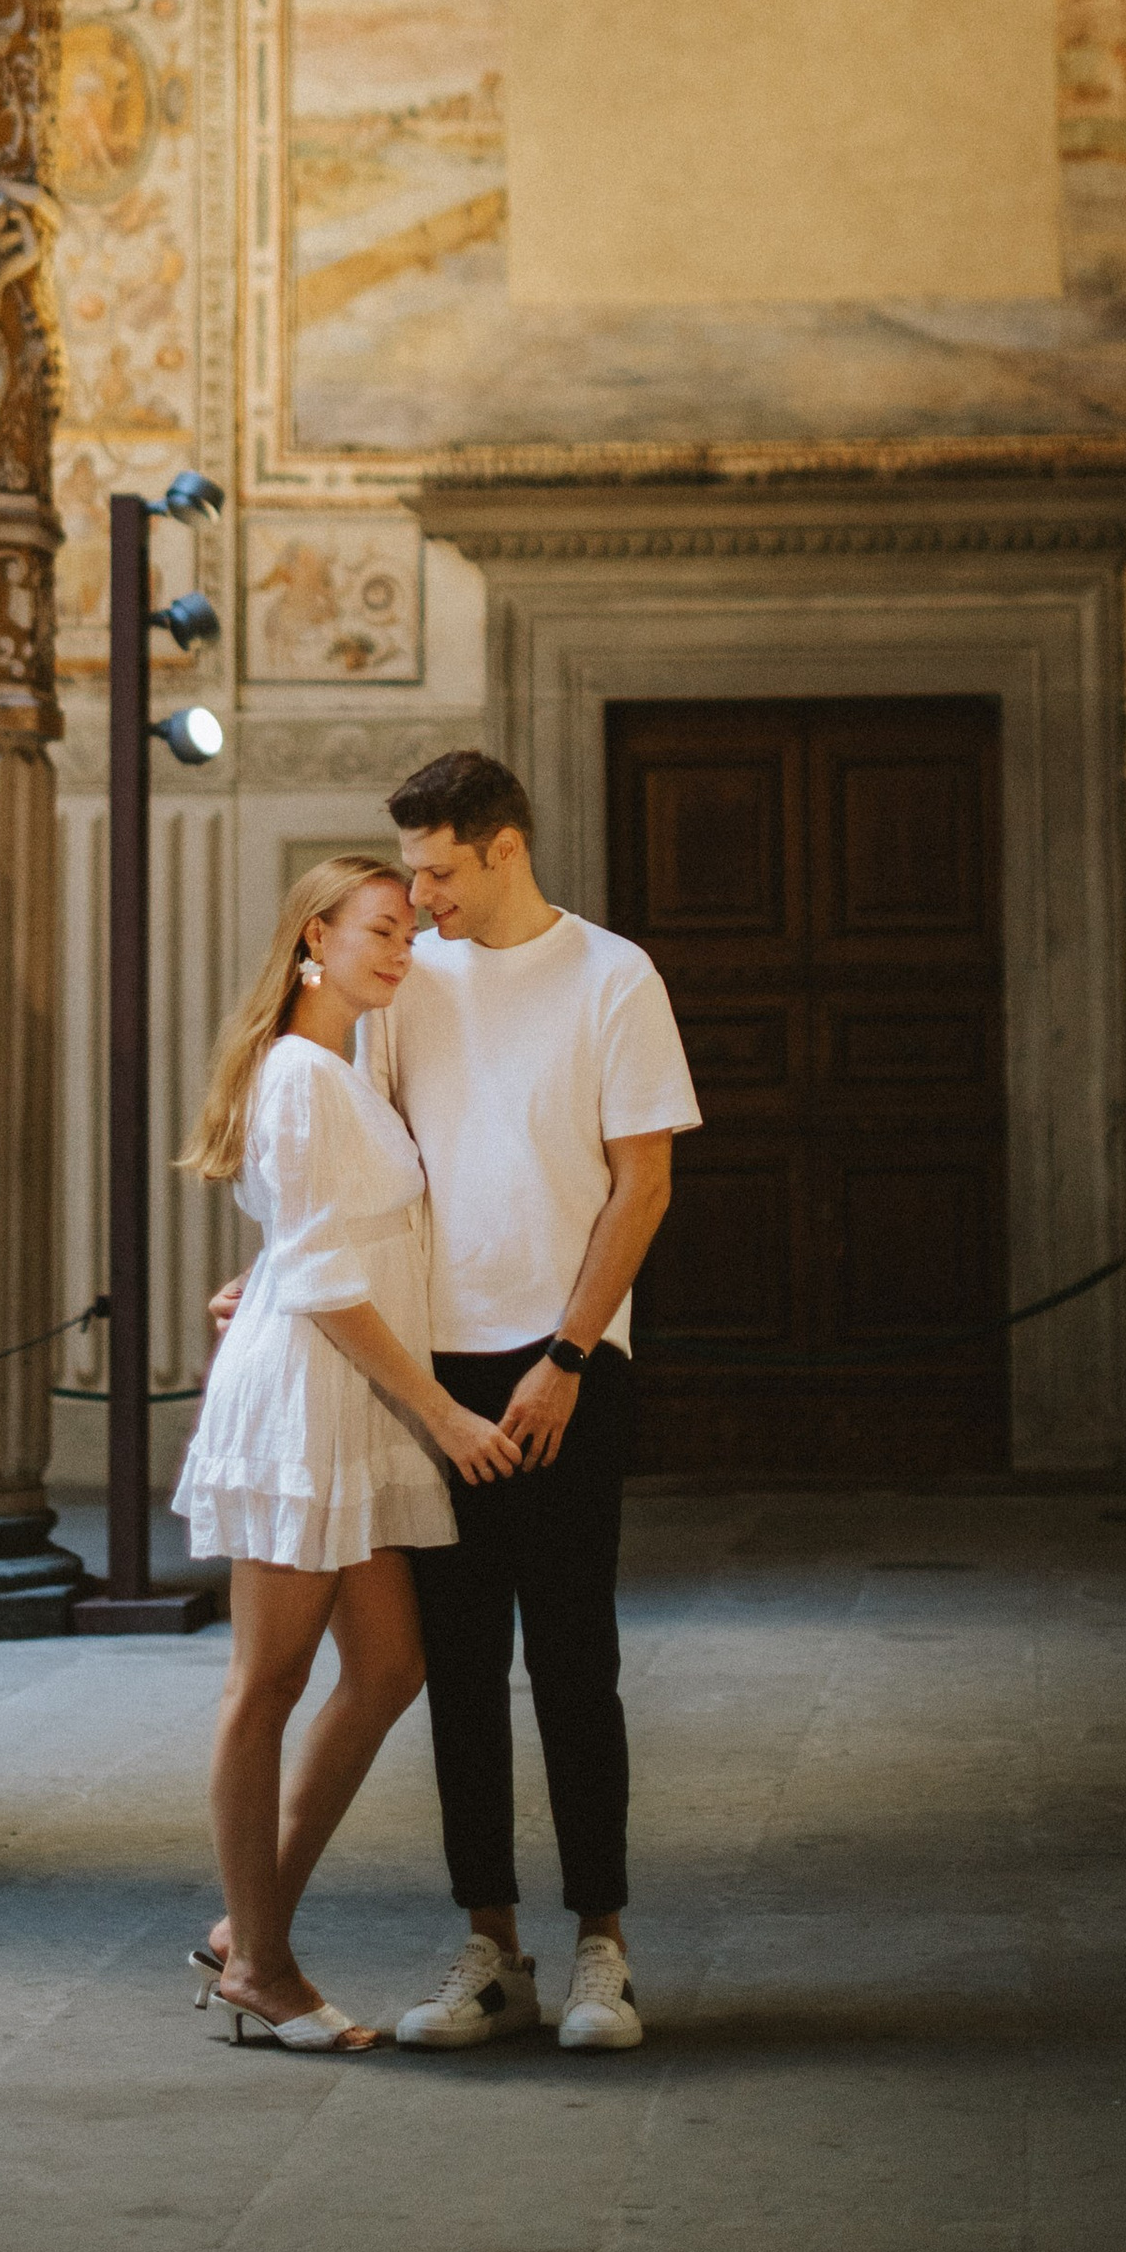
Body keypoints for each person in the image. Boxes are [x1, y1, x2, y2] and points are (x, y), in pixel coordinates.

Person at [217, 749, 700, 2055]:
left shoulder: (614, 976)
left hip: (568, 1365)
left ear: (503, 848)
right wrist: (268, 1278)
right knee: (462, 1670)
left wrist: (569, 1356)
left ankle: (604, 1947)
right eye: (408, 877)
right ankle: (493, 1949)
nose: (418, 900)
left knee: (576, 1660)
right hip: (429, 1374)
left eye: (436, 872)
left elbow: (640, 1187)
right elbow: (357, 1171)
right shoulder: (405, 988)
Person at [173, 856, 523, 2051]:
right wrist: (445, 1415)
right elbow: (324, 1275)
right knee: (263, 1686)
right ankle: (263, 1969)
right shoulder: (299, 1078)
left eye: (410, 931)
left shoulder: (348, 1065)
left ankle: (243, 1926)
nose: (402, 948)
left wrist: (263, 1276)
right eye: (380, 928)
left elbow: (318, 1238)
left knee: (384, 1672)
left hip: (352, 1398)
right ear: (313, 935)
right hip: (312, 1406)